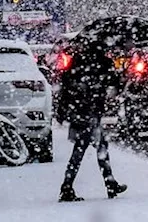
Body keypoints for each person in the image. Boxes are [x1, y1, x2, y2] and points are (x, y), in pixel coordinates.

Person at [56, 43, 126, 202]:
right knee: (91, 148)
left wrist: (63, 109)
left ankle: (107, 183)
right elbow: (114, 84)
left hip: (79, 111)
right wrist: (119, 75)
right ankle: (70, 186)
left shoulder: (77, 61)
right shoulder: (103, 62)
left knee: (89, 148)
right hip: (92, 112)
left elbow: (66, 84)